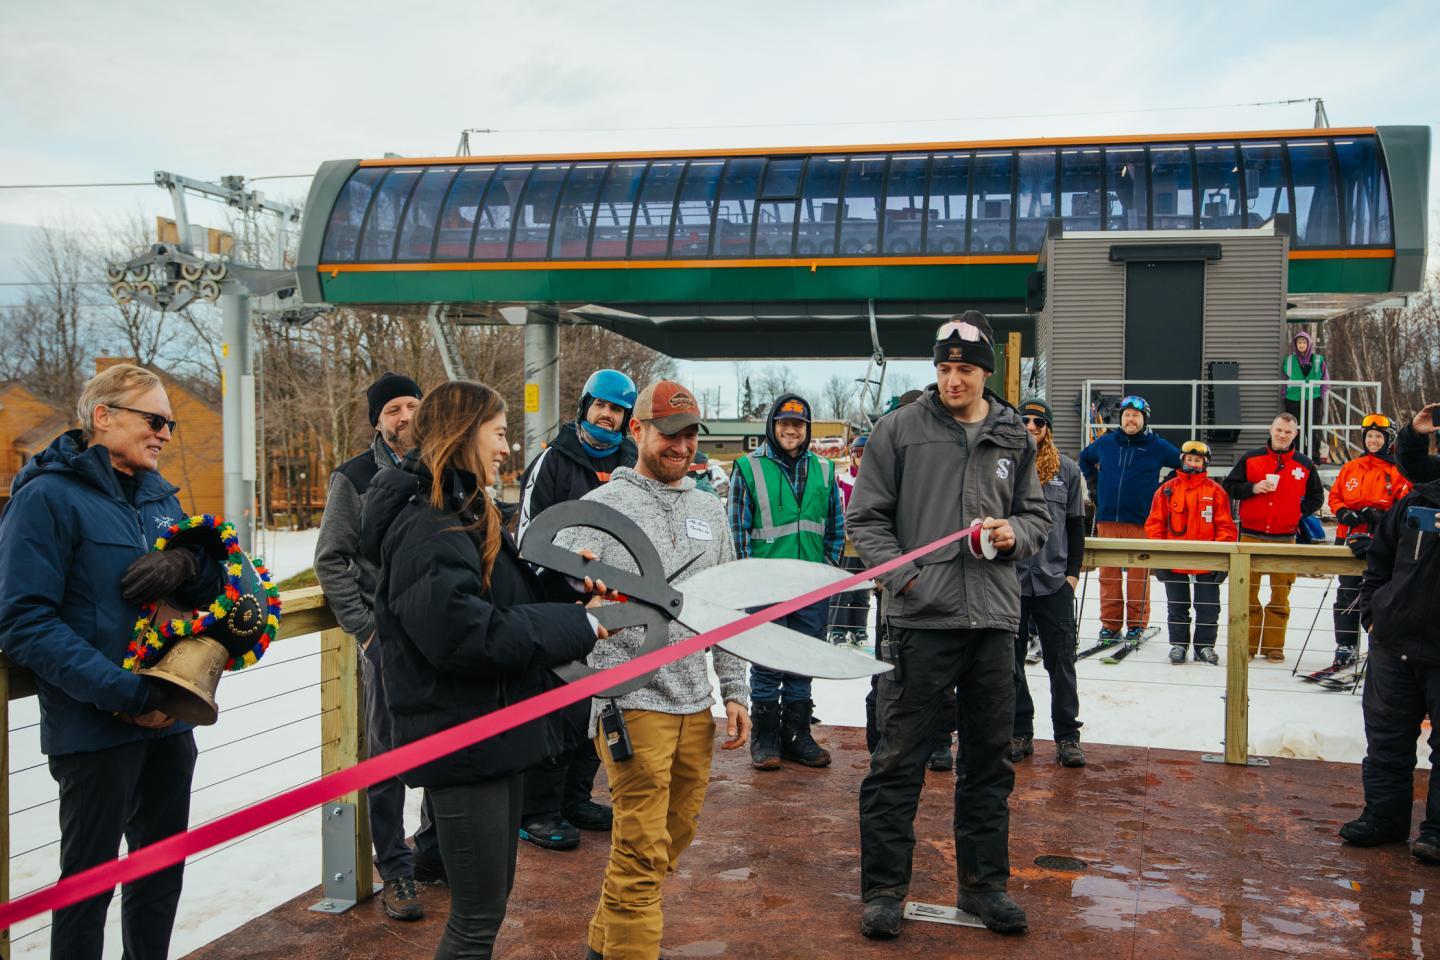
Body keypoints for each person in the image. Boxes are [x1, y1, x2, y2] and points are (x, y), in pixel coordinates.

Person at [360, 380, 605, 959]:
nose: (505, 449)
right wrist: (586, 626)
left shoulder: (466, 512)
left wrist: (566, 583)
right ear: (465, 435)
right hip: (463, 743)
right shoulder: (428, 527)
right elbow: (468, 637)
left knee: (488, 910)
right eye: (498, 434)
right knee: (474, 921)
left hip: (495, 734)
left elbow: (500, 595)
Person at [0, 363, 226, 960]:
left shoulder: (160, 496)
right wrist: (129, 694)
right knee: (87, 888)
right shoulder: (46, 496)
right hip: (96, 728)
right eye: (155, 420)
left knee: (159, 876)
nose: (166, 434)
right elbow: (24, 622)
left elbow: (213, 583)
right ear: (104, 417)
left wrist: (190, 565)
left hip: (169, 721)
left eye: (171, 424)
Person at [848, 311, 1051, 937]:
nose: (952, 380)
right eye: (943, 368)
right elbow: (866, 520)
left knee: (989, 762)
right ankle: (884, 890)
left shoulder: (1012, 436)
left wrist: (1012, 532)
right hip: (920, 622)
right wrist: (904, 579)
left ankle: (984, 886)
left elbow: (1037, 519)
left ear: (984, 374)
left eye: (964, 370)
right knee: (898, 759)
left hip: (992, 622)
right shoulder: (899, 430)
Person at [546, 379, 751, 960]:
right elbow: (553, 584)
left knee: (669, 842)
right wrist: (578, 591)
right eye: (669, 434)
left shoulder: (710, 508)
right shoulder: (601, 508)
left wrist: (733, 689)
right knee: (640, 851)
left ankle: (601, 947)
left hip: (695, 703)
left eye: (689, 436)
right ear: (637, 431)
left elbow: (724, 604)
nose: (681, 447)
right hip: (630, 700)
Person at [313, 371, 438, 916]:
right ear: (377, 420)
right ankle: (395, 867)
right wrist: (364, 629)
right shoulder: (355, 477)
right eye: (393, 409)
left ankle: (433, 851)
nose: (405, 416)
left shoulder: (440, 471)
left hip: (439, 636)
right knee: (385, 755)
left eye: (412, 405)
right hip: (384, 642)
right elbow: (330, 559)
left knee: (444, 743)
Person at [513, 369, 637, 849]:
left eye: (617, 410)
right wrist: (572, 580)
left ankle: (574, 799)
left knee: (599, 704)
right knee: (557, 709)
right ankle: (537, 810)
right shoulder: (552, 462)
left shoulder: (632, 464)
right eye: (600, 406)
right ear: (584, 406)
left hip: (616, 606)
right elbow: (527, 537)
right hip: (556, 605)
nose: (607, 416)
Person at [1339, 419, 1440, 865]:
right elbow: (1379, 560)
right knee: (1386, 739)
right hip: (1394, 644)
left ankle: (1436, 832)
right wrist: (1372, 614)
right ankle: (1384, 817)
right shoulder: (1414, 502)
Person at [729, 392, 844, 771]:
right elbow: (738, 530)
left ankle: (797, 735)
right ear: (772, 427)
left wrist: (826, 570)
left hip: (811, 586)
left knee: (801, 659)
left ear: (807, 429)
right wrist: (749, 579)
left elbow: (835, 528)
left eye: (798, 425)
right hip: (766, 586)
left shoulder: (825, 472)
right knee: (766, 662)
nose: (791, 431)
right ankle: (764, 737)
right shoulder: (748, 467)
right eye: (784, 424)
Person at [1011, 397, 1087, 767]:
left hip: (1053, 580)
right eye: (1024, 420)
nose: (1030, 427)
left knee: (1061, 661)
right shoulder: (1004, 466)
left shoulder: (1068, 470)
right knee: (1009, 661)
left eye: (1038, 423)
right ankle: (1019, 730)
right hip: (1010, 579)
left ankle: (1067, 736)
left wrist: (1072, 575)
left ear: (1048, 429)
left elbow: (1076, 525)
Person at [1078, 395, 1181, 645]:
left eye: (1135, 416)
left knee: (1138, 575)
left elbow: (1182, 463)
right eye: (1126, 415)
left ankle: (1136, 624)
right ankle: (1110, 624)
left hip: (1141, 520)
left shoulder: (1156, 445)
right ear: (1121, 418)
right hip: (1108, 518)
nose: (1130, 419)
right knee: (1109, 575)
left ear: (1143, 419)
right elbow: (1084, 459)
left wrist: (1163, 489)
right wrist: (1093, 484)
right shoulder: (1106, 443)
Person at [1221, 413, 1324, 662]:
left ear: (1295, 435)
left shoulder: (1304, 464)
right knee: (1247, 594)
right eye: (1279, 430)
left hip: (1285, 538)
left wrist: (1297, 512)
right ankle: (1246, 645)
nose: (1282, 436)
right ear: (1271, 429)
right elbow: (1229, 487)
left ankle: (1274, 647)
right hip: (1251, 536)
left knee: (1280, 596)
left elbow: (1317, 497)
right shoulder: (1251, 458)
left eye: (1288, 432)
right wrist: (1252, 488)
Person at [1328, 413, 1411, 671]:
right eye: (1370, 436)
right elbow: (1335, 496)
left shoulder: (1397, 469)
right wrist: (1343, 512)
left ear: (1388, 440)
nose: (1373, 441)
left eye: (1378, 436)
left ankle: (1381, 645)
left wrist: (1380, 517)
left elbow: (1404, 504)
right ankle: (1346, 645)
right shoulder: (1352, 467)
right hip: (1349, 537)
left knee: (1379, 593)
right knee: (1347, 592)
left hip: (1380, 541)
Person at [1143, 440, 1237, 665]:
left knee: (1208, 607)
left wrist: (1221, 561)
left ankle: (1204, 646)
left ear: (1205, 463)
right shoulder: (1167, 490)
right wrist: (1160, 557)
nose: (1193, 464)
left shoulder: (1215, 492)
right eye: (1189, 459)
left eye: (1197, 460)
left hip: (1207, 560)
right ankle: (1178, 644)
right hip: (1174, 558)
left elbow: (1226, 527)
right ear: (1182, 461)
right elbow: (1155, 525)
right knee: (1177, 605)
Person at [829, 434, 871, 646]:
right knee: (844, 586)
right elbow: (837, 507)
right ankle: (836, 628)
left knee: (862, 589)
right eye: (858, 454)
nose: (862, 459)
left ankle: (858, 628)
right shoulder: (843, 479)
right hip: (847, 542)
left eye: (866, 454)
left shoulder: (875, 482)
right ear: (852, 456)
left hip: (867, 542)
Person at [1282, 329, 1330, 462]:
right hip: (1293, 398)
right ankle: (1297, 455)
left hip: (1313, 398)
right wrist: (1283, 395)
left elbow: (1325, 380)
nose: (1301, 345)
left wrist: (1321, 395)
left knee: (1314, 428)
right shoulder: (1289, 360)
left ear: (1309, 344)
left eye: (1304, 342)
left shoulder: (1318, 360)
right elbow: (1285, 379)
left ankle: (1314, 457)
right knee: (1295, 428)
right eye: (1299, 342)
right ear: (1295, 345)